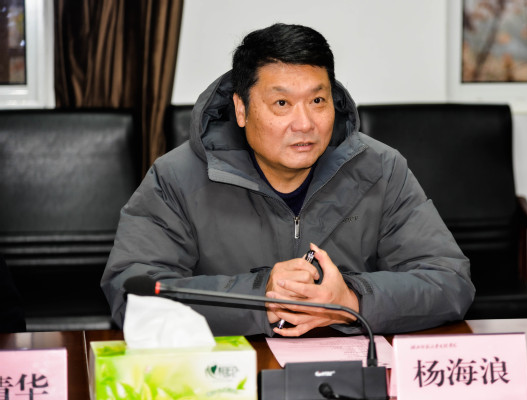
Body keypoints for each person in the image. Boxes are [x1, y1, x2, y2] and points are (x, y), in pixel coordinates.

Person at [102, 23, 474, 337]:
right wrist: (261, 297)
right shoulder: (176, 178)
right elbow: (132, 294)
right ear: (242, 109)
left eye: (317, 101)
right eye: (282, 104)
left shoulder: (380, 169)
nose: (305, 124)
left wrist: (351, 300)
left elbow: (449, 281)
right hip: (232, 375)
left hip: (349, 370)